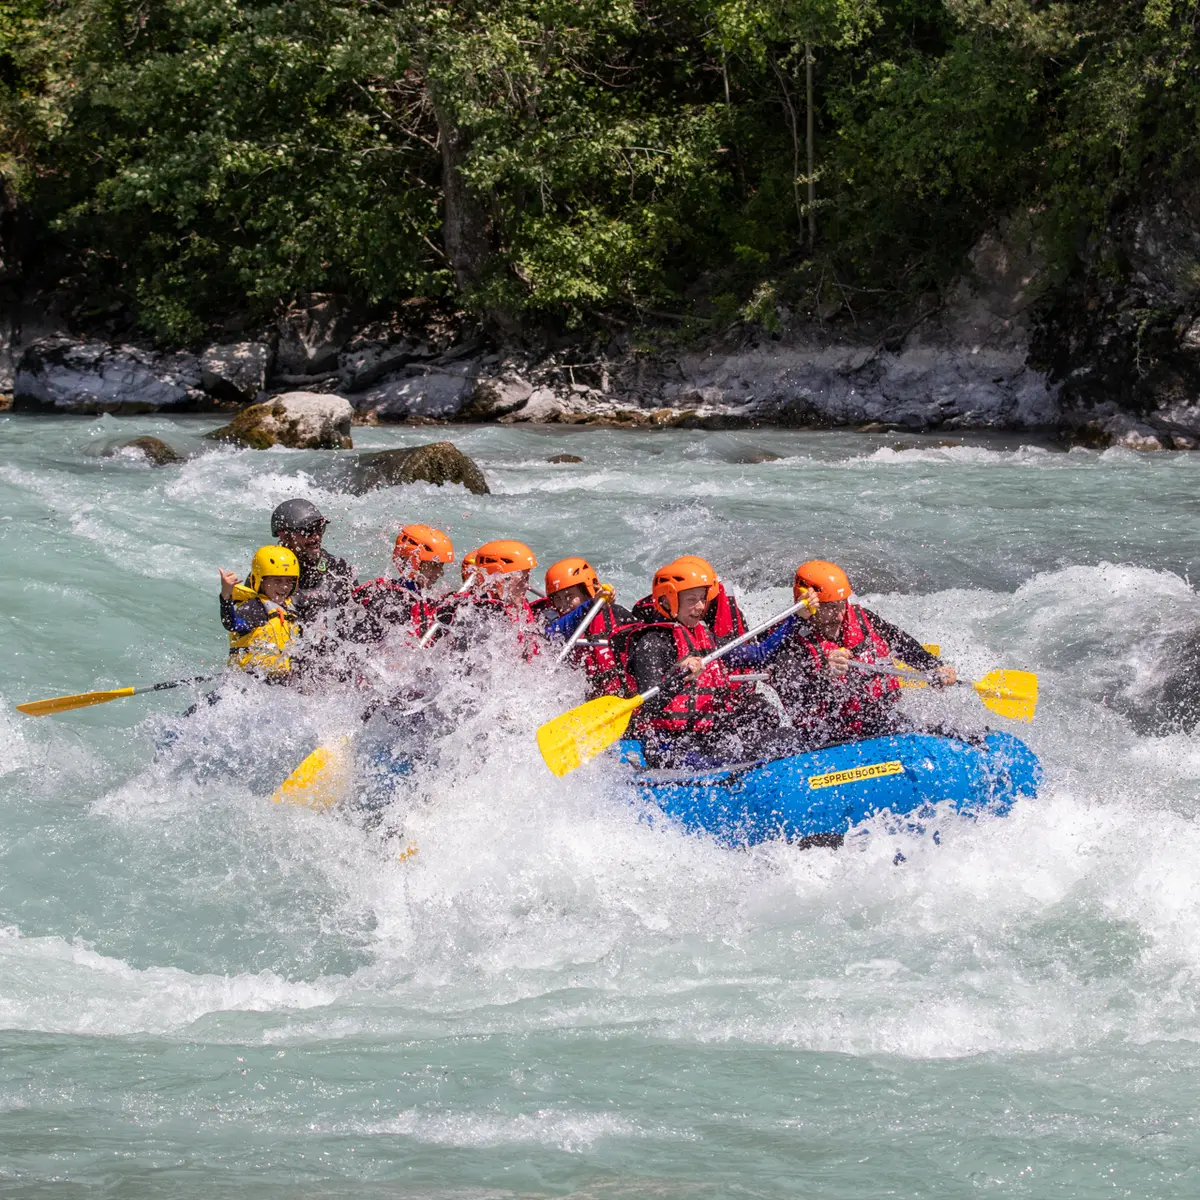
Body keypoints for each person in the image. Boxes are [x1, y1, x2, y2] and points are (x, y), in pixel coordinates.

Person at [771, 560, 957, 745]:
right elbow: (798, 702)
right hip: (827, 739)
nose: (839, 615)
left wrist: (934, 667)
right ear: (805, 604)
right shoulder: (786, 642)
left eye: (842, 605)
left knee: (947, 735)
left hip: (881, 723)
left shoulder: (861, 619)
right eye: (830, 608)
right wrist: (824, 676)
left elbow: (901, 643)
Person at [622, 558, 758, 767]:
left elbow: (757, 654)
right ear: (667, 600)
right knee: (723, 763)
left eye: (703, 599)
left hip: (700, 736)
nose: (701, 607)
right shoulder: (651, 643)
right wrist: (681, 676)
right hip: (666, 745)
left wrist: (797, 619)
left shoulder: (705, 636)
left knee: (767, 722)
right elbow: (650, 704)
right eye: (692, 600)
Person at [541, 557, 635, 696]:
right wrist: (591, 605)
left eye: (569, 596)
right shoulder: (553, 624)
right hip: (585, 699)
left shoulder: (616, 615)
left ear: (588, 592)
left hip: (623, 695)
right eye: (558, 598)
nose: (563, 604)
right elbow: (550, 634)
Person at [426, 539, 539, 653]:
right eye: (522, 579)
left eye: (527, 578)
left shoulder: (513, 608)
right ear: (501, 579)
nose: (526, 585)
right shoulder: (479, 618)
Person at [352, 524, 454, 643]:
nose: (440, 573)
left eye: (441, 566)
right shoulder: (389, 602)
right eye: (434, 565)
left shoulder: (415, 597)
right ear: (413, 562)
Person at [219, 546, 302, 681]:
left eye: (289, 581)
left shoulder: (290, 610)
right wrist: (226, 595)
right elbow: (232, 624)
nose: (284, 587)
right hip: (248, 681)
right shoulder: (254, 608)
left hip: (280, 683)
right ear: (260, 582)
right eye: (277, 581)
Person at [269, 499, 355, 620]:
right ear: (285, 536)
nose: (317, 537)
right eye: (308, 531)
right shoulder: (267, 573)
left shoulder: (338, 568)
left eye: (320, 528)